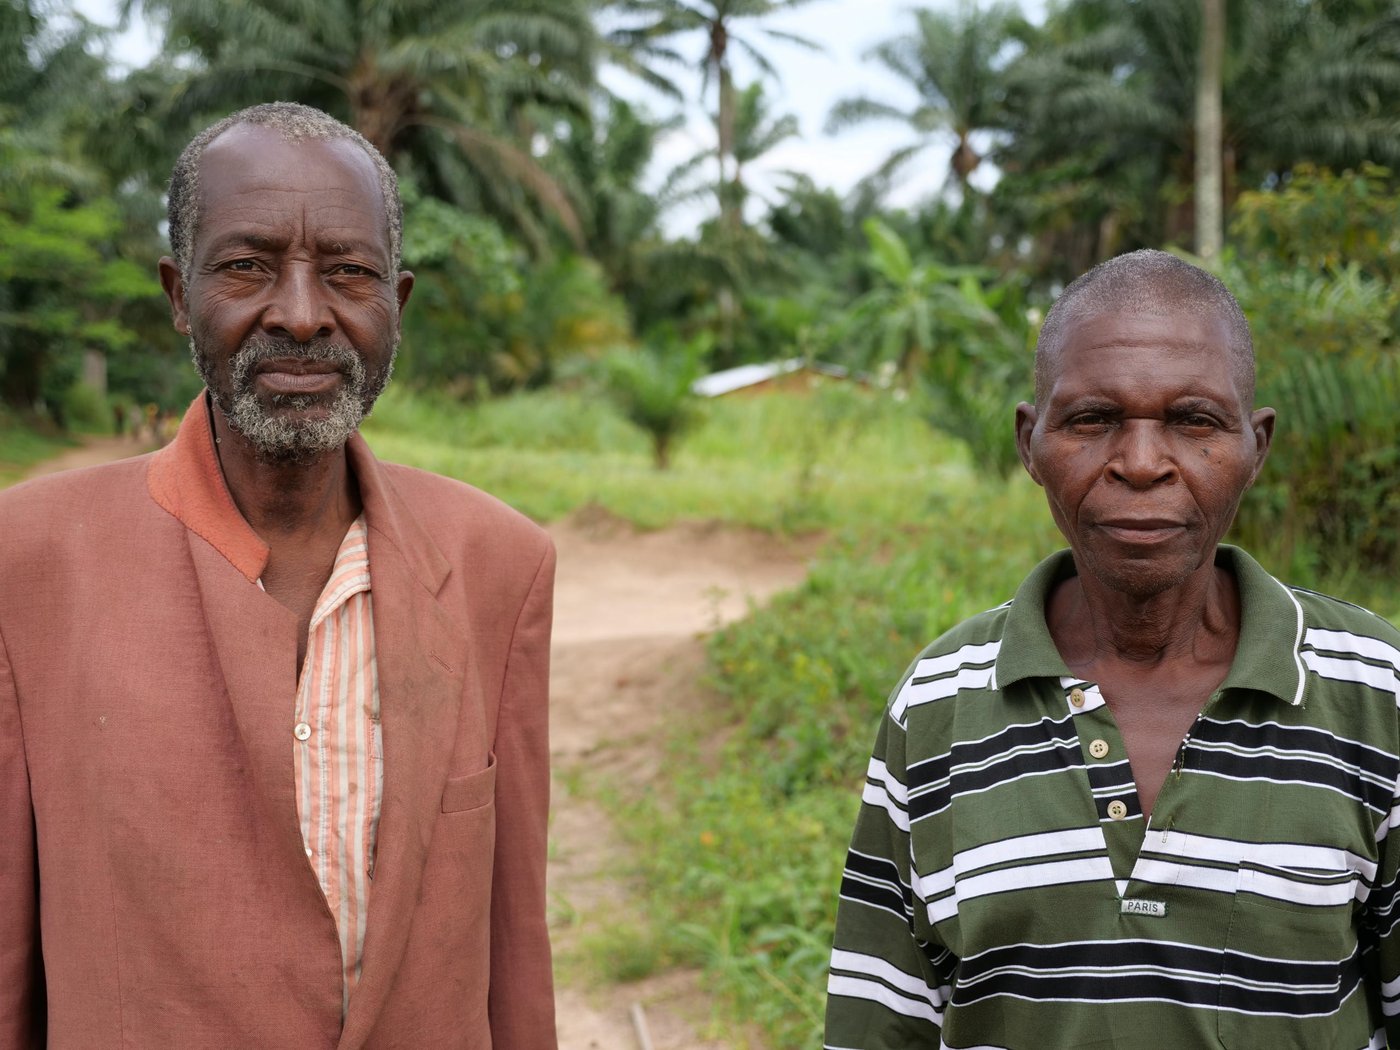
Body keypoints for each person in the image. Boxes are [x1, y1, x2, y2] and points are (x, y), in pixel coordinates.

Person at [0, 102, 557, 1049]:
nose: (302, 314)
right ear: (180, 294)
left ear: (398, 302)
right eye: (247, 267)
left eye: (348, 273)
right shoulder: (27, 561)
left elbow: (513, 946)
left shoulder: (497, 562)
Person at [824, 249, 1400, 1049]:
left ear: (1255, 447)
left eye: (1193, 421)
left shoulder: (1376, 691)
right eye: (1092, 420)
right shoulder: (938, 703)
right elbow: (878, 1025)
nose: (1140, 464)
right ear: (1031, 443)